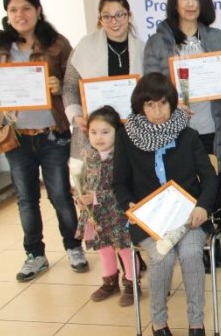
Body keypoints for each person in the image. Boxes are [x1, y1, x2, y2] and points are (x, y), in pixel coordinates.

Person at [0, 0, 88, 281]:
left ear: (38, 10)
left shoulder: (56, 43)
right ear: (7, 14)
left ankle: (73, 246)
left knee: (59, 194)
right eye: (14, 9)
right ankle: (35, 255)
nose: (20, 15)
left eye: (26, 8)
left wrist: (58, 86)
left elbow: (74, 84)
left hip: (52, 133)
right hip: (16, 135)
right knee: (26, 198)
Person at [113, 72, 218, 336]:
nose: (157, 111)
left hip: (188, 216)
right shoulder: (126, 137)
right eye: (150, 105)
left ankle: (196, 324)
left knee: (193, 253)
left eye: (162, 103)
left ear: (172, 104)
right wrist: (131, 207)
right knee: (162, 256)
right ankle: (159, 324)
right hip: (148, 219)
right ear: (140, 106)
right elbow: (119, 183)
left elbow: (208, 178)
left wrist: (202, 206)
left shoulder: (188, 135)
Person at [143, 0, 221, 270]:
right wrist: (170, 99)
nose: (190, 3)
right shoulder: (158, 42)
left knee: (213, 189)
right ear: (174, 2)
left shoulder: (217, 37)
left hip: (211, 128)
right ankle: (187, 249)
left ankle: (218, 247)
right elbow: (150, 86)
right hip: (176, 132)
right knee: (181, 192)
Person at [64, 0, 145, 157]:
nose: (114, 21)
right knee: (95, 181)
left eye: (120, 14)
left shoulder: (143, 49)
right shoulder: (84, 47)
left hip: (131, 134)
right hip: (93, 135)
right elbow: (70, 87)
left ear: (129, 16)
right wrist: (77, 115)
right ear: (100, 19)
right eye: (107, 16)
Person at [74, 105, 137, 306]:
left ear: (117, 132)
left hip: (118, 212)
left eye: (105, 132)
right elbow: (84, 182)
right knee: (104, 248)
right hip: (96, 214)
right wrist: (81, 197)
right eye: (93, 132)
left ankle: (131, 283)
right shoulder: (89, 155)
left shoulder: (122, 155)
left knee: (125, 249)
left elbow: (125, 186)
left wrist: (97, 196)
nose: (98, 137)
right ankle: (110, 281)